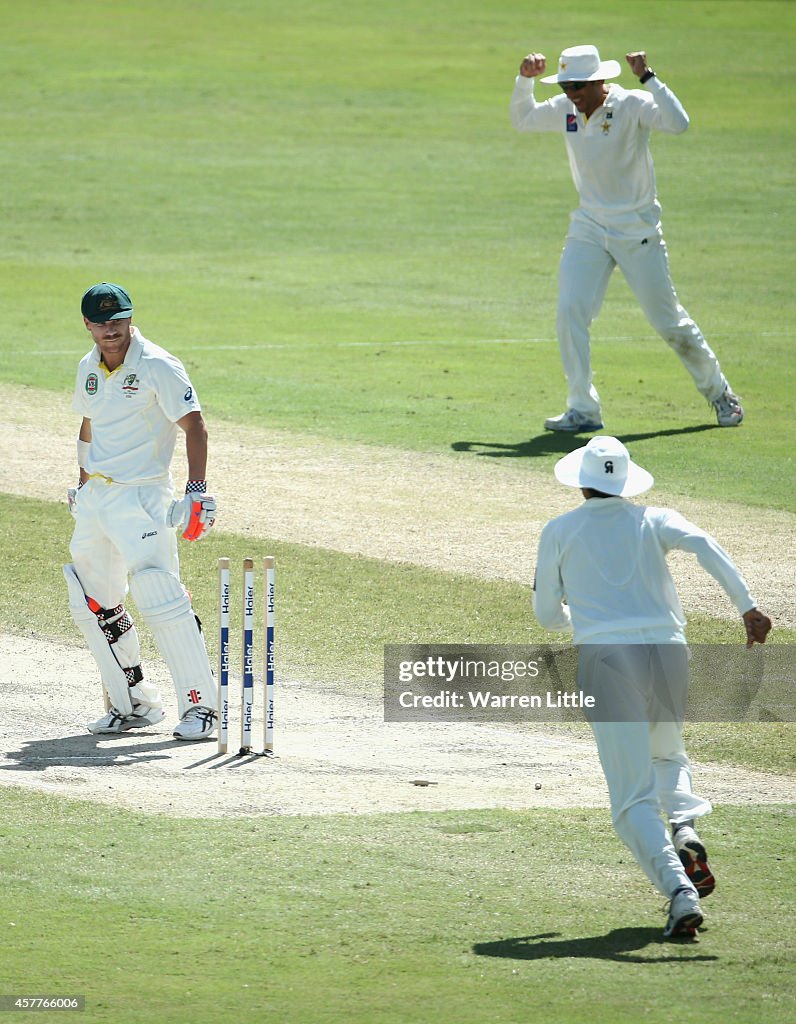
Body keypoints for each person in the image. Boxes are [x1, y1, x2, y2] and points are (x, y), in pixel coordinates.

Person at [532, 435, 771, 938]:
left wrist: (583, 611)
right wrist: (747, 606)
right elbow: (704, 545)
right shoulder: (653, 519)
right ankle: (685, 827)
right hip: (668, 652)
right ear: (624, 480)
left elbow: (546, 615)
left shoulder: (558, 530)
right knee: (668, 756)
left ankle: (680, 890)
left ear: (581, 482)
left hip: (606, 660)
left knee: (631, 802)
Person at [510, 44, 744, 433]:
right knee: (570, 311)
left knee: (668, 322)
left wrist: (649, 78)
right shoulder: (565, 108)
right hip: (588, 226)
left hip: (637, 230)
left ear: (600, 80)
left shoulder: (632, 104)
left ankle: (720, 394)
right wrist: (523, 81)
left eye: (579, 85)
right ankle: (582, 409)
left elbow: (678, 122)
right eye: (566, 85)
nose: (571, 93)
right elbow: (523, 119)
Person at [64, 282, 219, 742]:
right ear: (88, 324)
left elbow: (195, 426)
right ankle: (133, 703)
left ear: (130, 319)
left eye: (118, 321)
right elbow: (89, 425)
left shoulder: (157, 365)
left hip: (143, 497)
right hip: (97, 501)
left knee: (159, 594)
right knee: (93, 600)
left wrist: (195, 490)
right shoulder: (88, 367)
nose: (111, 330)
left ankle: (202, 707)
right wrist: (82, 483)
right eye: (101, 323)